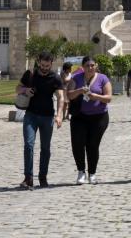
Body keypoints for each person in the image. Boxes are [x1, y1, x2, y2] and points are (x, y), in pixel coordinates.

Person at [16, 51, 64, 189]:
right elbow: (17, 88)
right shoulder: (30, 74)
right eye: (42, 65)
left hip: (47, 116)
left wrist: (59, 115)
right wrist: (25, 90)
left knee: (45, 148)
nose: (44, 68)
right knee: (28, 145)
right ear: (38, 62)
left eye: (47, 66)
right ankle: (28, 178)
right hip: (31, 115)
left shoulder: (55, 78)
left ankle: (43, 177)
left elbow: (61, 97)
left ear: (51, 64)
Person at [67, 56, 112, 185]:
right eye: (87, 65)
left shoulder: (103, 78)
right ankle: (81, 172)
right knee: (78, 144)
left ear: (95, 66)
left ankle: (92, 173)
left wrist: (95, 96)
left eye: (92, 65)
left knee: (93, 145)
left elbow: (108, 98)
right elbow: (69, 95)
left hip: (99, 117)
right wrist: (80, 91)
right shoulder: (76, 78)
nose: (90, 68)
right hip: (79, 117)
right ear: (83, 67)